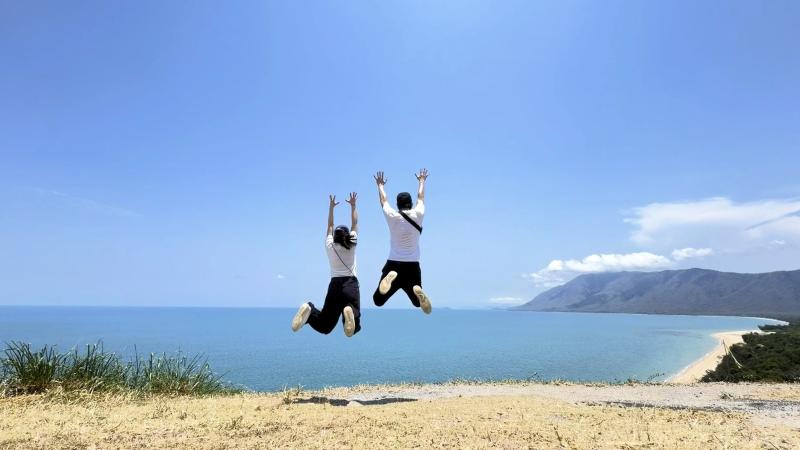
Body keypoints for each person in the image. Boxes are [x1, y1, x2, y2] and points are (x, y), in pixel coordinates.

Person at [291, 192, 361, 337]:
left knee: (325, 325)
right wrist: (353, 205)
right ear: (347, 235)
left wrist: (331, 207)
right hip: (350, 285)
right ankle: (349, 311)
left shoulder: (329, 246)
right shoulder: (352, 243)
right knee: (355, 322)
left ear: (334, 237)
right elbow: (355, 223)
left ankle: (309, 311)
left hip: (334, 287)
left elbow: (330, 225)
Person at [372, 169, 432, 314]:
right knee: (417, 304)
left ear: (397, 204)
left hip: (394, 264)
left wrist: (380, 185)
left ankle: (388, 279)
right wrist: (422, 181)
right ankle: (417, 290)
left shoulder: (392, 216)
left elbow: (383, 201)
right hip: (412, 265)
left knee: (378, 301)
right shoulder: (418, 214)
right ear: (410, 203)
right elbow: (421, 197)